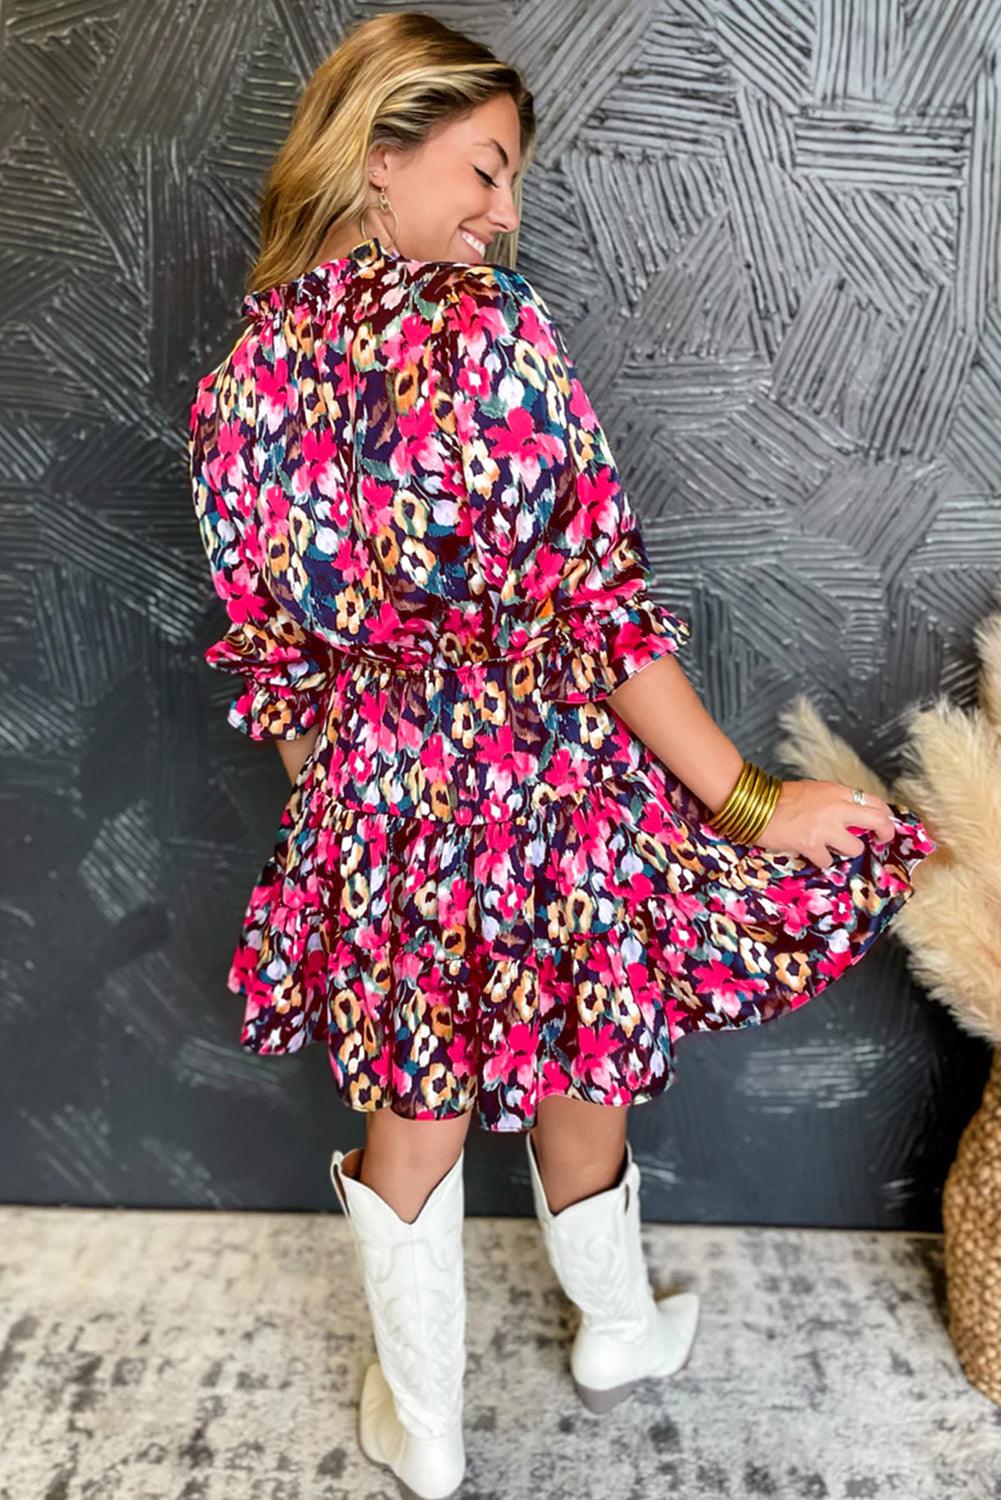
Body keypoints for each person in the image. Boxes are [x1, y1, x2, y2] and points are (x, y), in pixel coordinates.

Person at [187, 13, 938, 1499]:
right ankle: (614, 1332)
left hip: (371, 785)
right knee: (582, 1026)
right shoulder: (488, 328)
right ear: (377, 154)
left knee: (416, 1097)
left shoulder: (239, 385)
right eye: (483, 167)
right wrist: (747, 799)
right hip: (542, 762)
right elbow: (597, 611)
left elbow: (279, 665)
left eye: (512, 179)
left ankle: (431, 1425)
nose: (504, 210)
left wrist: (351, 821)